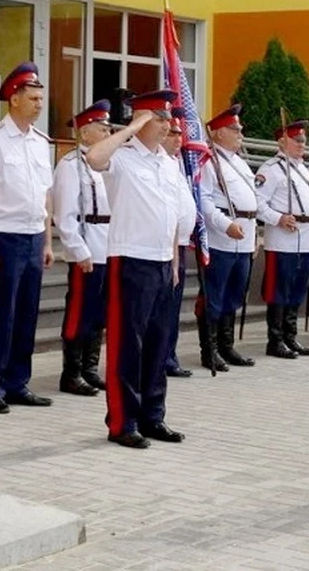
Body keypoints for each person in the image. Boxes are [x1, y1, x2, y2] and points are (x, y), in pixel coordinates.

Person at [86, 89, 192, 449]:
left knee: (159, 345)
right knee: (127, 345)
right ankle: (122, 421)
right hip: (131, 260)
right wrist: (132, 128)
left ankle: (152, 416)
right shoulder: (124, 157)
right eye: (159, 118)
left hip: (164, 262)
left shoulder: (168, 162)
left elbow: (174, 214)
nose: (168, 125)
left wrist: (175, 261)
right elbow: (94, 157)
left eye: (167, 119)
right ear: (142, 119)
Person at [0, 62, 56, 413]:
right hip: (2, 238)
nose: (39, 104)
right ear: (14, 99)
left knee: (26, 315)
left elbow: (45, 195)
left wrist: (48, 241)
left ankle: (18, 382)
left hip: (33, 236)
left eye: (41, 98)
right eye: (33, 98)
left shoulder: (40, 142)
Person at [53, 100, 113, 396]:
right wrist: (79, 250)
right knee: (80, 311)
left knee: (99, 312)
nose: (107, 132)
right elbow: (64, 214)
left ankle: (90, 368)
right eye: (102, 128)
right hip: (87, 247)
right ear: (85, 132)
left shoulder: (107, 164)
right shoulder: (70, 166)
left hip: (108, 245)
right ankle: (71, 373)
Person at [198, 104, 258, 369]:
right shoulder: (210, 162)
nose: (240, 132)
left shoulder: (240, 163)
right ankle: (209, 350)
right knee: (215, 296)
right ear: (219, 133)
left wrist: (252, 237)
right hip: (222, 239)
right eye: (235, 129)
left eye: (240, 128)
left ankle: (226, 345)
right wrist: (225, 225)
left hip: (243, 238)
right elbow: (205, 201)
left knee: (234, 295)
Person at [256, 120, 309, 359]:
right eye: (297, 140)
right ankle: (275, 339)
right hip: (284, 238)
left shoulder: (302, 169)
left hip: (306, 237)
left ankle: (290, 337)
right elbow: (258, 202)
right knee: (279, 289)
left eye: (304, 141)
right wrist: (278, 218)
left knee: (297, 289)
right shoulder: (272, 169)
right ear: (282, 140)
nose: (301, 145)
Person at [161, 108, 195, 378]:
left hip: (180, 244)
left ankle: (169, 355)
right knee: (163, 308)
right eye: (172, 132)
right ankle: (160, 357)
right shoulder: (160, 163)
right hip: (162, 246)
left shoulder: (178, 163)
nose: (178, 138)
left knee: (172, 308)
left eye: (180, 133)